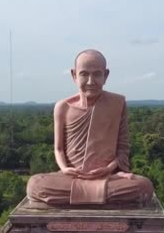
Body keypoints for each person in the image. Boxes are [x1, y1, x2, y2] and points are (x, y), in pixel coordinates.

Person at [26, 49, 154, 206]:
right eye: (84, 74)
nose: (90, 81)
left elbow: (123, 149)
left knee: (143, 186)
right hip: (71, 177)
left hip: (108, 177)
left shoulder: (117, 104)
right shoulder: (63, 107)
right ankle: (99, 198)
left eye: (97, 74)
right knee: (35, 184)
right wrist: (65, 169)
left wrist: (109, 169)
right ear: (74, 75)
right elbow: (58, 149)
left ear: (106, 75)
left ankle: (76, 199)